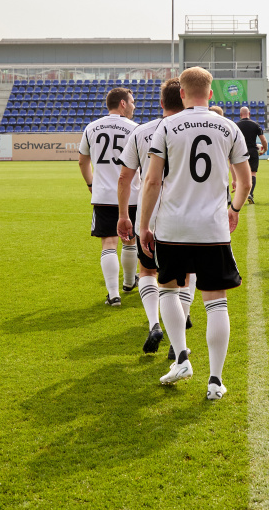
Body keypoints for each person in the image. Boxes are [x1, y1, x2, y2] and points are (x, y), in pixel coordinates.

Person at [139, 66, 251, 400]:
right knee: (216, 302)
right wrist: (234, 209)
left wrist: (145, 225)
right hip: (213, 228)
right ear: (211, 93)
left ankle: (182, 357)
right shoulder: (229, 126)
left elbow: (152, 181)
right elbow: (244, 180)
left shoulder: (167, 126)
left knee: (169, 290)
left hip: (173, 227)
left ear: (183, 94)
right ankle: (215, 380)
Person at [116, 78, 185, 354]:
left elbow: (125, 177)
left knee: (148, 271)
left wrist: (124, 215)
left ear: (160, 103)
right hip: (185, 212)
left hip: (152, 213)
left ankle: (155, 324)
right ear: (185, 97)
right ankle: (179, 336)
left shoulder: (142, 131)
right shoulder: (192, 130)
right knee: (184, 275)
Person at [78, 87, 139, 307]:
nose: (133, 105)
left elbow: (82, 161)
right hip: (132, 194)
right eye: (131, 101)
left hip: (103, 194)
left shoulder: (91, 127)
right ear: (122, 103)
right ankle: (130, 282)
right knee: (131, 239)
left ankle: (114, 294)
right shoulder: (135, 129)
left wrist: (90, 183)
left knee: (109, 243)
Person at [236, 106, 267, 204]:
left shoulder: (236, 125)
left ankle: (243, 195)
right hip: (253, 151)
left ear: (240, 115)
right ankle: (250, 193)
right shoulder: (256, 125)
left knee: (241, 175)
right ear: (249, 113)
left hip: (241, 151)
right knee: (253, 173)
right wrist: (265, 149)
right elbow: (263, 140)